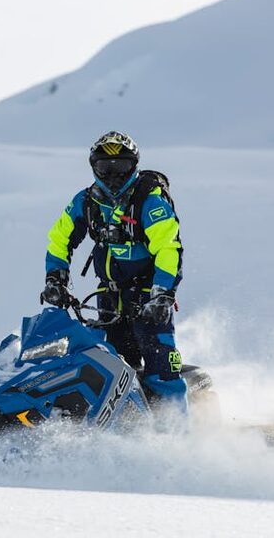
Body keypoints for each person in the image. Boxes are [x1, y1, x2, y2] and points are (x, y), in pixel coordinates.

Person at [40, 130, 187, 417]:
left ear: (134, 165)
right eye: (104, 168)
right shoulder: (86, 201)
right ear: (93, 168)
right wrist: (55, 279)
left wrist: (162, 294)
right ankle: (119, 434)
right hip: (109, 294)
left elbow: (169, 248)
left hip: (148, 297)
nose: (113, 176)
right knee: (110, 368)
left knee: (162, 368)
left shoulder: (150, 200)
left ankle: (180, 441)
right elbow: (60, 238)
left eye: (121, 167)